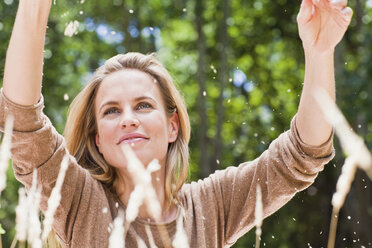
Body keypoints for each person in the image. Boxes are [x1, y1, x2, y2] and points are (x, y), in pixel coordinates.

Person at [0, 0, 352, 247]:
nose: (128, 120)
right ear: (97, 139)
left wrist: (320, 51)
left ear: (173, 127)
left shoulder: (211, 206)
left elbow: (302, 155)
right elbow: (22, 121)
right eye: (111, 111)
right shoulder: (80, 202)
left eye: (143, 105)